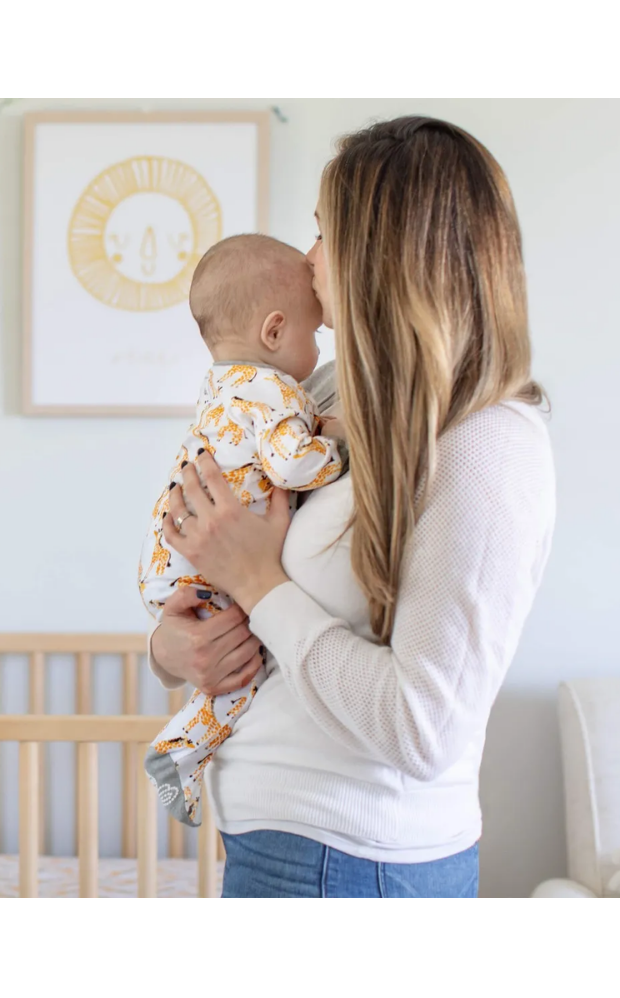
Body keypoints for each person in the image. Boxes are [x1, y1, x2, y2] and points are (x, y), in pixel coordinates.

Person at [148, 116, 556, 898]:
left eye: (323, 233)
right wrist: (173, 650)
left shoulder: (483, 443)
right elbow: (222, 558)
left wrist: (259, 584)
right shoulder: (331, 394)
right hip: (282, 847)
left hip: (353, 862)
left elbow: (422, 728)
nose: (307, 259)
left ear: (381, 252)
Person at [139, 234, 344, 828]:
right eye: (312, 333)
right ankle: (181, 750)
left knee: (240, 668)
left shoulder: (224, 384)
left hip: (171, 563)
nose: (312, 252)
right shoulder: (284, 389)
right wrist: (338, 448)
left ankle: (180, 751)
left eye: (324, 232)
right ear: (274, 332)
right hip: (202, 568)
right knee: (243, 674)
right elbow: (292, 464)